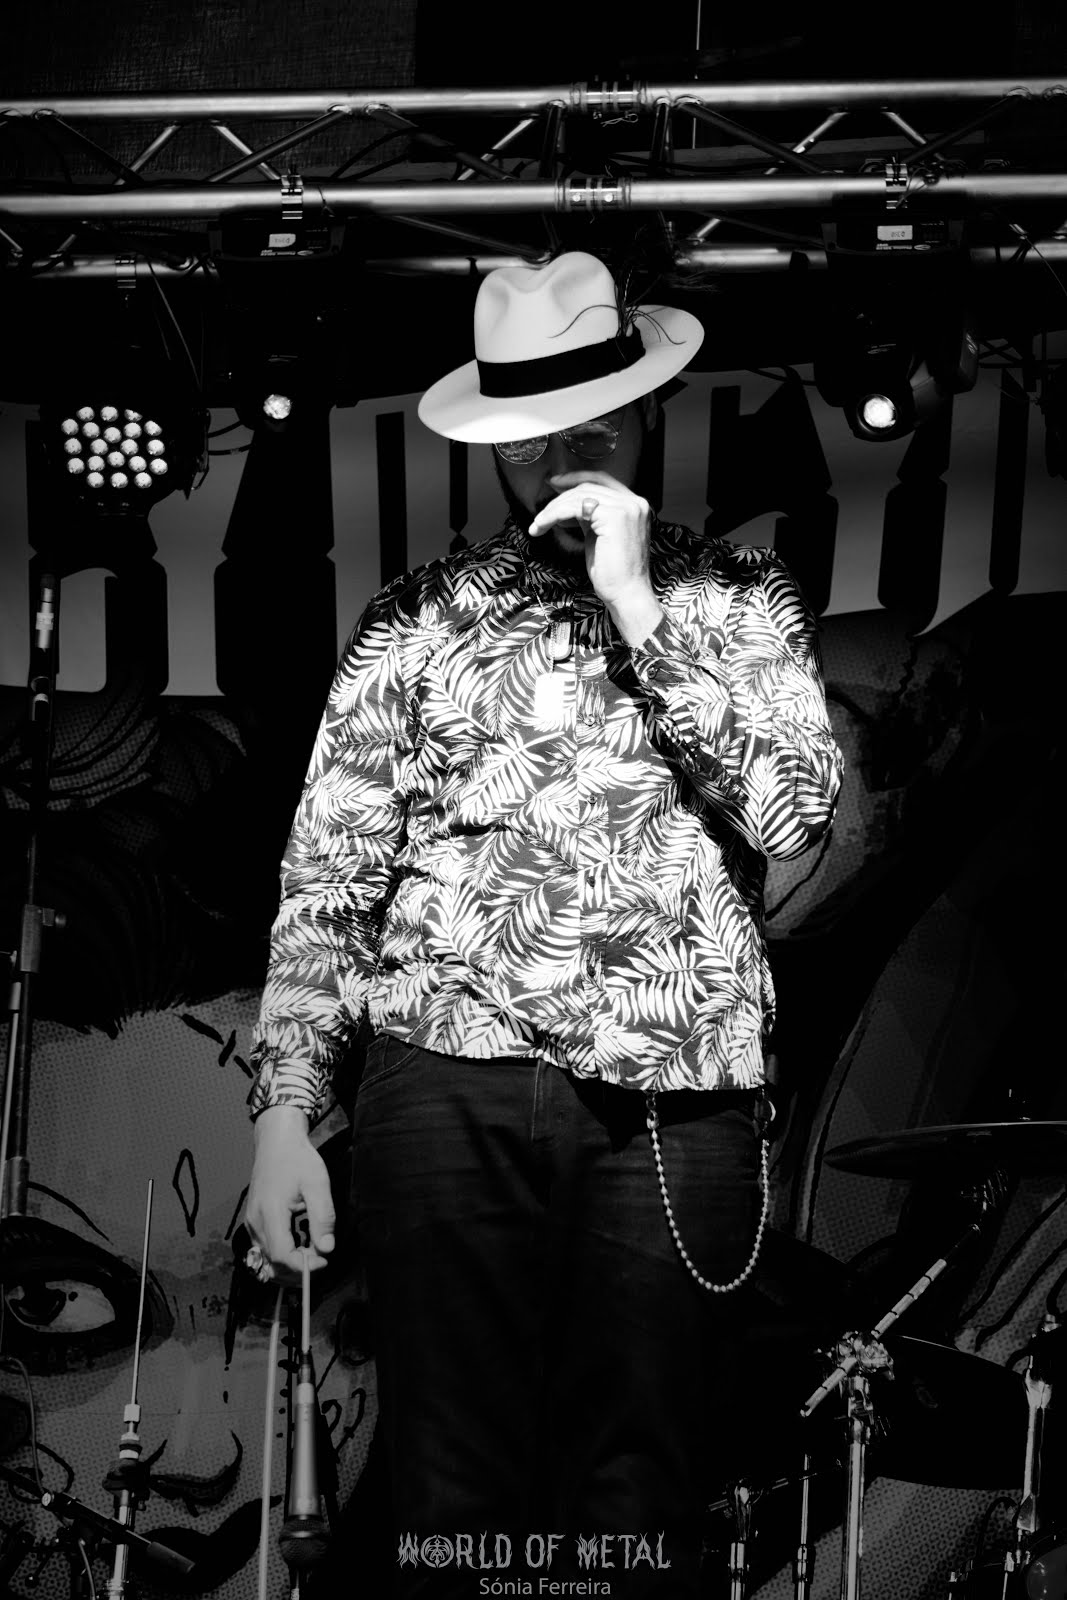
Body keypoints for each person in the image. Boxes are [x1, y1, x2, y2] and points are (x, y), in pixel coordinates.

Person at [243, 250, 844, 1596]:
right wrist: (285, 1111)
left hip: (669, 1096)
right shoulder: (414, 621)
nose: (562, 457)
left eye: (591, 425)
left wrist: (640, 607)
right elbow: (329, 877)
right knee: (451, 1495)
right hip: (441, 1081)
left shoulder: (738, 597)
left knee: (634, 1497)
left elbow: (797, 812)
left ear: (645, 411)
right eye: (528, 438)